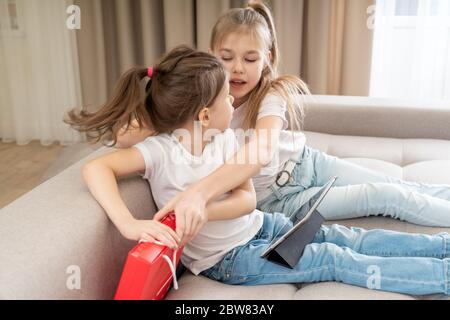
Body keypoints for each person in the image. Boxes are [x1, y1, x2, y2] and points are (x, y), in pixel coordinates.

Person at [66, 45, 450, 296]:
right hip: (229, 261)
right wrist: (129, 225)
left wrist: (202, 209)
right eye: (225, 98)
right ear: (203, 114)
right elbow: (97, 168)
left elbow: (248, 201)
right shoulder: (159, 153)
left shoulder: (228, 142)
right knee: (333, 259)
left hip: (261, 227)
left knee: (342, 237)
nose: (233, 100)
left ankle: (442, 249)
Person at [115, 1, 450, 247]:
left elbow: (259, 151)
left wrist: (199, 193)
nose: (237, 70)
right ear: (210, 54)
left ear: (268, 59)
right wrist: (170, 108)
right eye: (226, 58)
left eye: (250, 59)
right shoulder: (201, 106)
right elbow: (123, 136)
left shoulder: (272, 93)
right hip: (280, 200)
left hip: (308, 164)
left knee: (406, 186)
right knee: (387, 194)